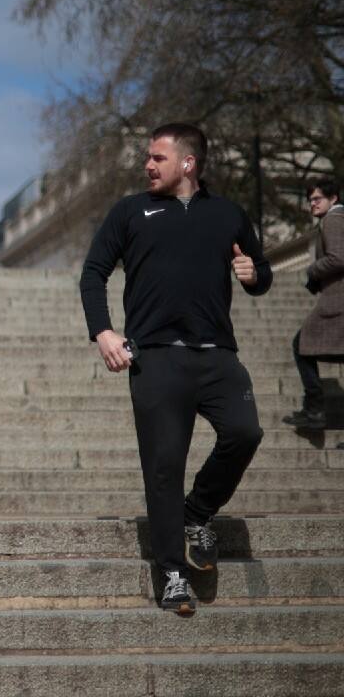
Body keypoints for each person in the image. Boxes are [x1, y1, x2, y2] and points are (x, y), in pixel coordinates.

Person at [79, 123, 273, 614]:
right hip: (157, 359)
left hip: (217, 357)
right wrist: (103, 331)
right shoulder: (130, 211)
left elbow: (261, 272)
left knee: (245, 433)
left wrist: (254, 274)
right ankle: (171, 574)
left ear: (187, 163)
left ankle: (199, 510)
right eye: (148, 157)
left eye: (157, 158)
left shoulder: (227, 214)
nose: (148, 164)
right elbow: (93, 273)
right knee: (163, 468)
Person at [282, 180, 344, 430]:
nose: (312, 204)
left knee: (301, 345)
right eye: (310, 200)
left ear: (333, 199)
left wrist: (312, 270)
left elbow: (339, 257)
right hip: (336, 299)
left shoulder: (333, 219)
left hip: (337, 303)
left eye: (317, 199)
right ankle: (314, 409)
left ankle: (315, 409)